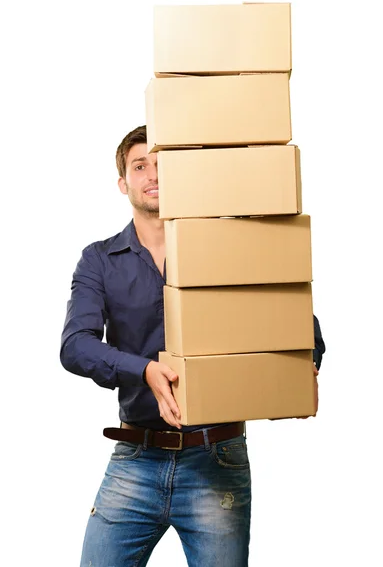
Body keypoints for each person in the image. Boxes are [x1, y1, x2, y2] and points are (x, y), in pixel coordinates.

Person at [60, 125, 326, 567]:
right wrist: (143, 369)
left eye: (164, 165)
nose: (153, 175)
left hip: (216, 460)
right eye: (140, 166)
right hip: (135, 459)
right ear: (123, 184)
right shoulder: (99, 260)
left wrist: (301, 369)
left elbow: (298, 326)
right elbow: (75, 346)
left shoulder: (229, 247)